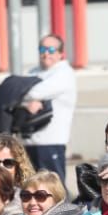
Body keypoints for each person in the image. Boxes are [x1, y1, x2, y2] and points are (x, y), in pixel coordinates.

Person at [22, 35, 77, 184]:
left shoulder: (64, 73)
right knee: (30, 188)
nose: (46, 53)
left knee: (53, 189)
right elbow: (15, 93)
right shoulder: (33, 71)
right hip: (28, 141)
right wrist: (25, 101)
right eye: (42, 49)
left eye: (51, 50)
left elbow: (30, 91)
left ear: (60, 53)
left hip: (51, 142)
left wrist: (23, 95)